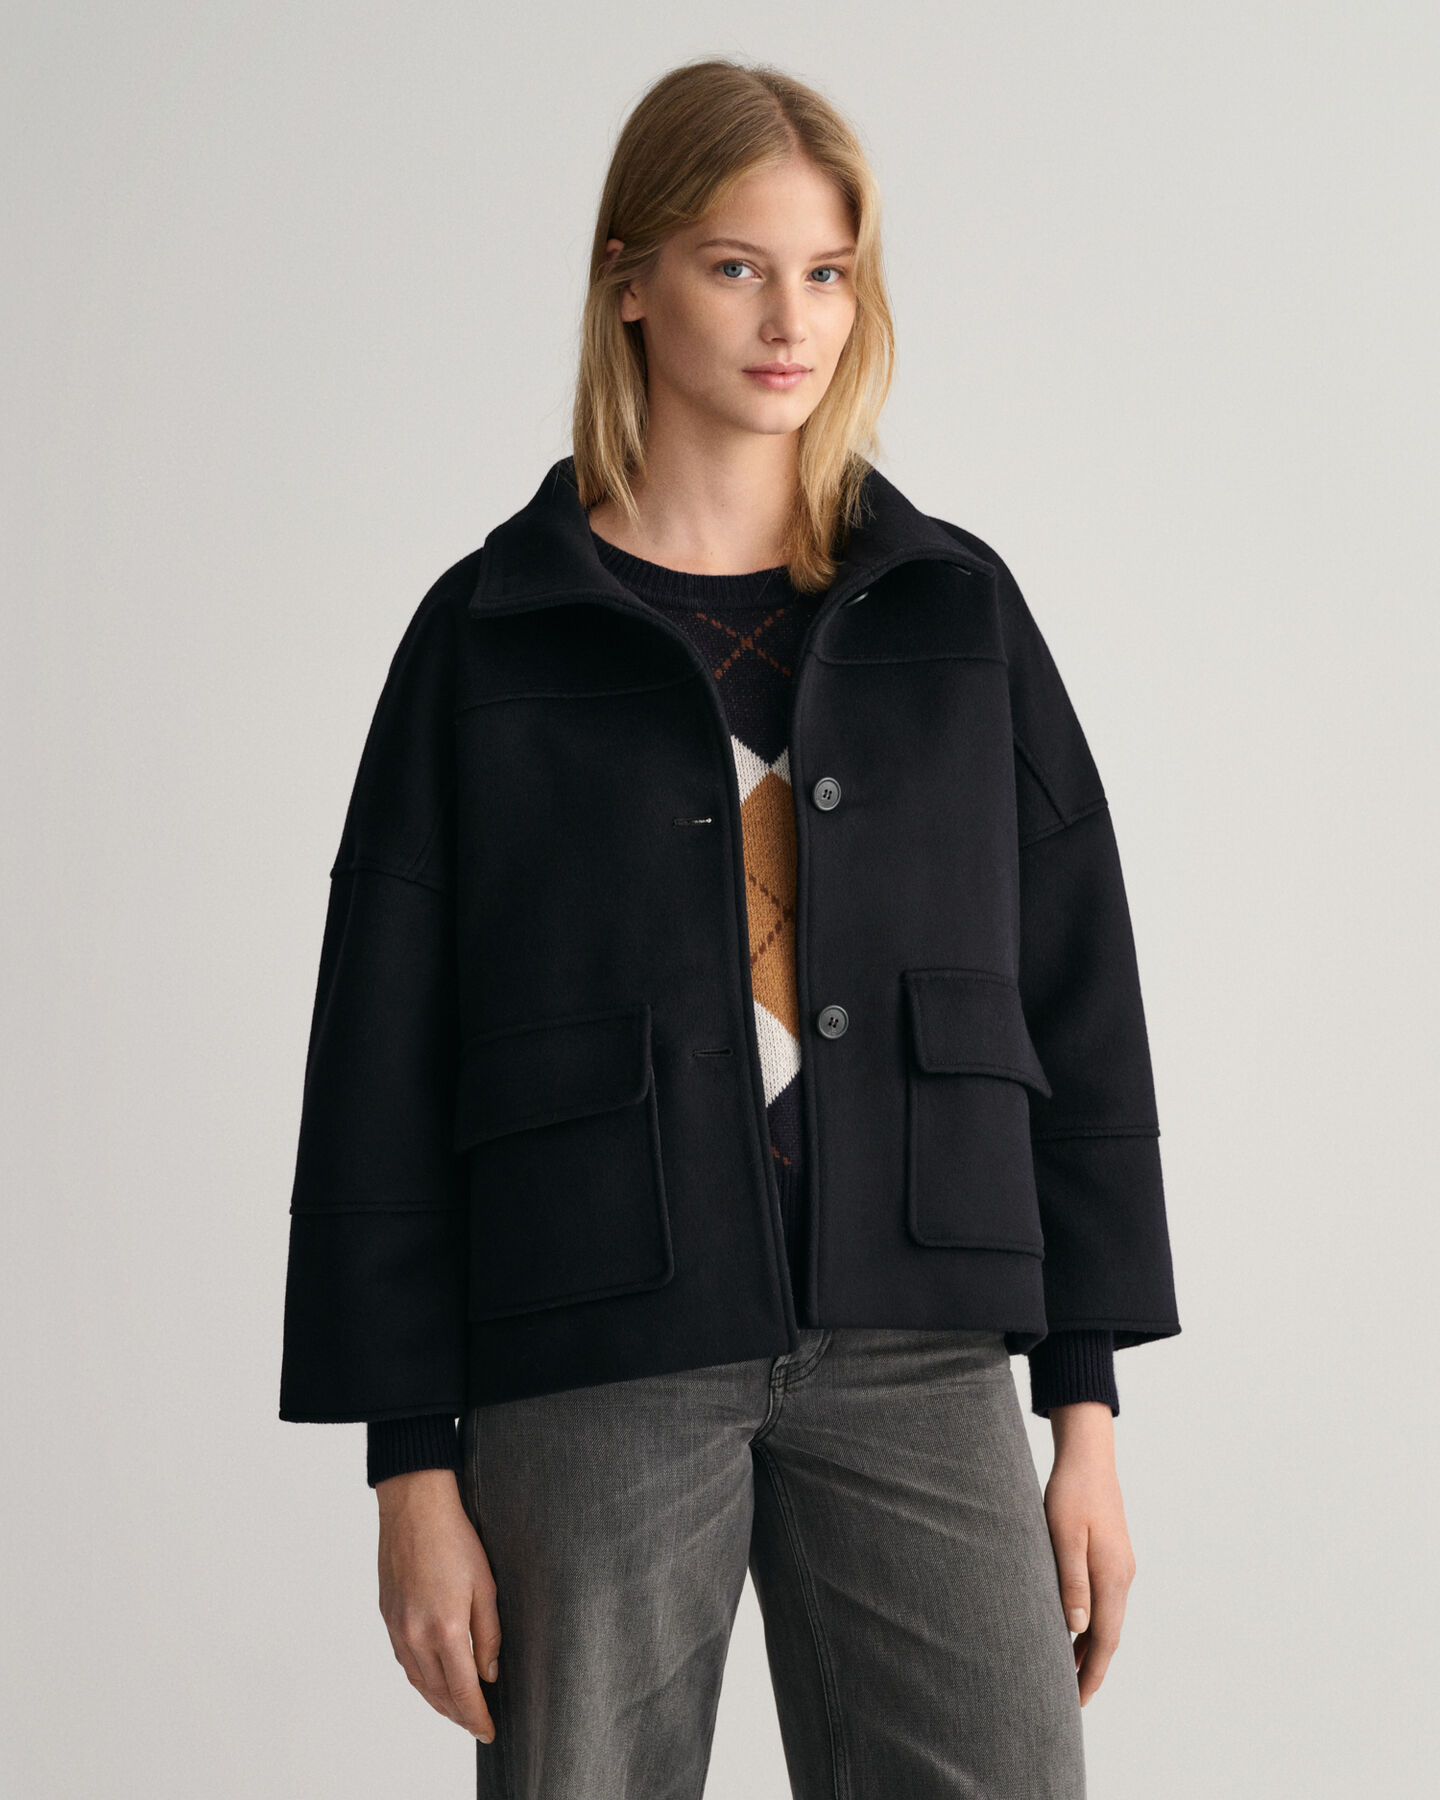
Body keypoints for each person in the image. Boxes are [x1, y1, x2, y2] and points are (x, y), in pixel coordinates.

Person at [279, 56, 1180, 1800]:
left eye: (828, 272)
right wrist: (409, 1465)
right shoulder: (488, 636)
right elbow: (378, 1053)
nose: (793, 320)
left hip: (921, 1342)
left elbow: (1080, 996)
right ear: (629, 280)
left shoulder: (955, 613)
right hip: (596, 1347)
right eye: (737, 266)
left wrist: (1084, 1410)